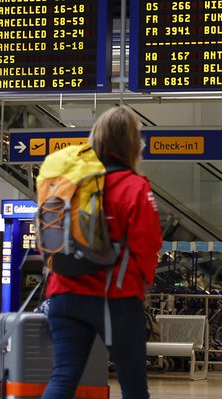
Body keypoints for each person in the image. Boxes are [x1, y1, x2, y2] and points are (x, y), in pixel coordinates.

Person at [41, 106, 163, 399]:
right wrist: (142, 284)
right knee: (133, 386)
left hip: (63, 293)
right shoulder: (134, 187)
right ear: (133, 143)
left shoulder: (70, 181)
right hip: (115, 299)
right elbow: (148, 245)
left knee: (64, 376)